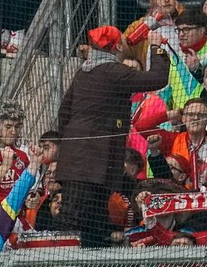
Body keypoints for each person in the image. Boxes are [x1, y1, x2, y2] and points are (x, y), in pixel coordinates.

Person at [57, 25, 170, 247]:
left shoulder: (83, 72)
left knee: (81, 222)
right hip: (94, 164)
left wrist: (70, 147)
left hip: (81, 163)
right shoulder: (113, 71)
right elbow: (157, 79)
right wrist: (156, 47)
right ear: (117, 46)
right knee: (86, 224)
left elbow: (64, 112)